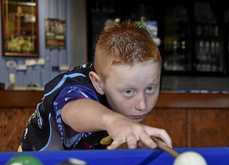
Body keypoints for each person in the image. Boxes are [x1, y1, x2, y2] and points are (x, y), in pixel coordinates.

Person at [18, 21, 172, 151]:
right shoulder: (75, 85)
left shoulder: (116, 81)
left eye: (150, 88)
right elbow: (74, 110)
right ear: (98, 83)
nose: (142, 105)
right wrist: (115, 121)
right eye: (129, 91)